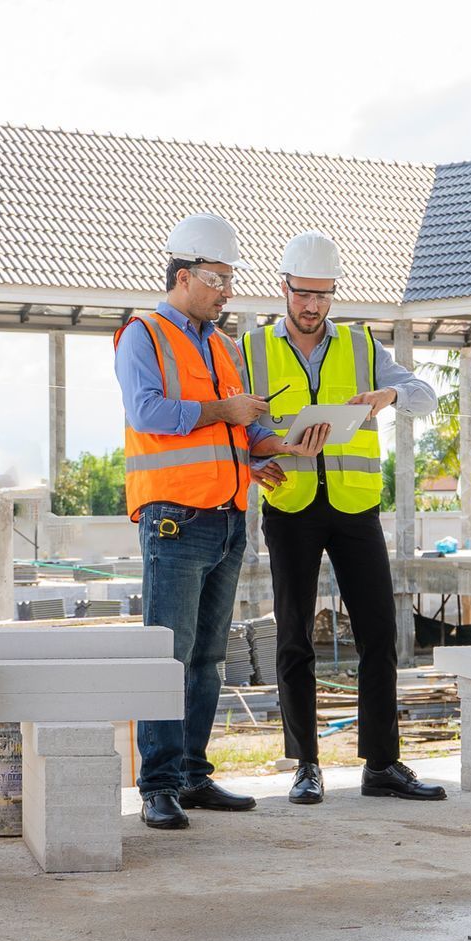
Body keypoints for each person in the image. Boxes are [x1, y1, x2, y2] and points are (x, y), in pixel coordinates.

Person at [113, 213, 325, 830]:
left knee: (206, 656)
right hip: (174, 520)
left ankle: (193, 775)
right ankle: (157, 785)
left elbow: (241, 429)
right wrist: (222, 409)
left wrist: (278, 448)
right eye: (217, 279)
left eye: (230, 279)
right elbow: (148, 411)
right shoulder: (143, 335)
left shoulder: (223, 346)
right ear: (183, 276)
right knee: (168, 655)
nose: (227, 291)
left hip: (229, 518)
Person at [241, 231, 447, 805]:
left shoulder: (362, 345)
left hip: (357, 508)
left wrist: (389, 397)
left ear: (334, 294)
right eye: (304, 295)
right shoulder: (251, 349)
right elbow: (237, 428)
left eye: (323, 296)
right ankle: (305, 764)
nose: (312, 307)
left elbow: (425, 394)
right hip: (290, 508)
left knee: (379, 634)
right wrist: (259, 458)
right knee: (294, 638)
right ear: (283, 289)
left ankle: (382, 765)